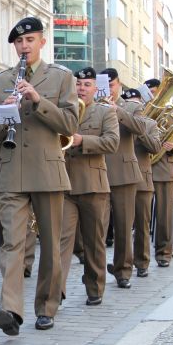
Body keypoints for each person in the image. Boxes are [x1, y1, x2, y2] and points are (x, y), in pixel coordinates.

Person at [0, 17, 79, 335]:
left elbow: (69, 125)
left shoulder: (61, 78)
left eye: (30, 41)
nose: (24, 47)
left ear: (42, 42)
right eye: (19, 42)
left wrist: (38, 101)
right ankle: (10, 309)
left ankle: (47, 306)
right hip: (11, 172)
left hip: (47, 171)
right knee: (12, 243)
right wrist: (3, 113)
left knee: (50, 244)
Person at [59, 67, 119, 306]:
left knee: (94, 242)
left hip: (94, 185)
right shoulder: (64, 112)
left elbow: (112, 142)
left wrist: (83, 140)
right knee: (61, 241)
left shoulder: (105, 112)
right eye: (79, 84)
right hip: (65, 184)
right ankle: (56, 292)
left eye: (87, 84)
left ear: (96, 88)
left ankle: (94, 288)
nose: (82, 88)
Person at [101, 69, 146, 290]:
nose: (108, 88)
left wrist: (116, 109)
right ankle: (95, 273)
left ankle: (123, 270)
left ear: (119, 85)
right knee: (96, 229)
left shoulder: (132, 106)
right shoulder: (92, 105)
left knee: (123, 226)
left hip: (124, 174)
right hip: (97, 172)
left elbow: (141, 129)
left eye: (111, 84)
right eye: (104, 84)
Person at [127, 89, 162, 278]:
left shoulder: (150, 124)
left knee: (142, 224)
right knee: (123, 226)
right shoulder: (119, 121)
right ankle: (123, 262)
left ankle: (142, 262)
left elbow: (156, 147)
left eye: (137, 104)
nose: (134, 107)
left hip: (142, 180)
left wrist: (139, 131)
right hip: (122, 177)